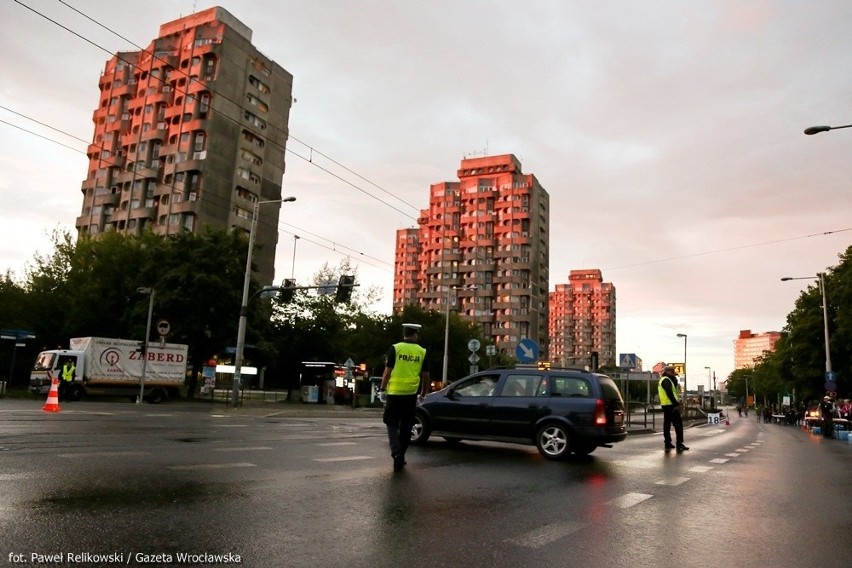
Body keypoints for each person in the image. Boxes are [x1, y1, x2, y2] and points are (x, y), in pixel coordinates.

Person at [379, 323, 429, 471]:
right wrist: (423, 394)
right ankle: (402, 454)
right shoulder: (422, 351)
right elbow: (426, 376)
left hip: (394, 393)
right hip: (411, 394)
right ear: (415, 334)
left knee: (391, 422)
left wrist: (382, 389)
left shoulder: (395, 348)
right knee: (407, 425)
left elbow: (387, 372)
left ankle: (396, 452)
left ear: (404, 333)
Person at [658, 365, 688, 452]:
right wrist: (676, 404)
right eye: (672, 372)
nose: (674, 374)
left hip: (666, 405)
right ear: (668, 372)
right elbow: (670, 393)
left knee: (667, 425)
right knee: (678, 424)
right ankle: (679, 443)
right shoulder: (667, 380)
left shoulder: (664, 380)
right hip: (671, 405)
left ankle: (667, 442)